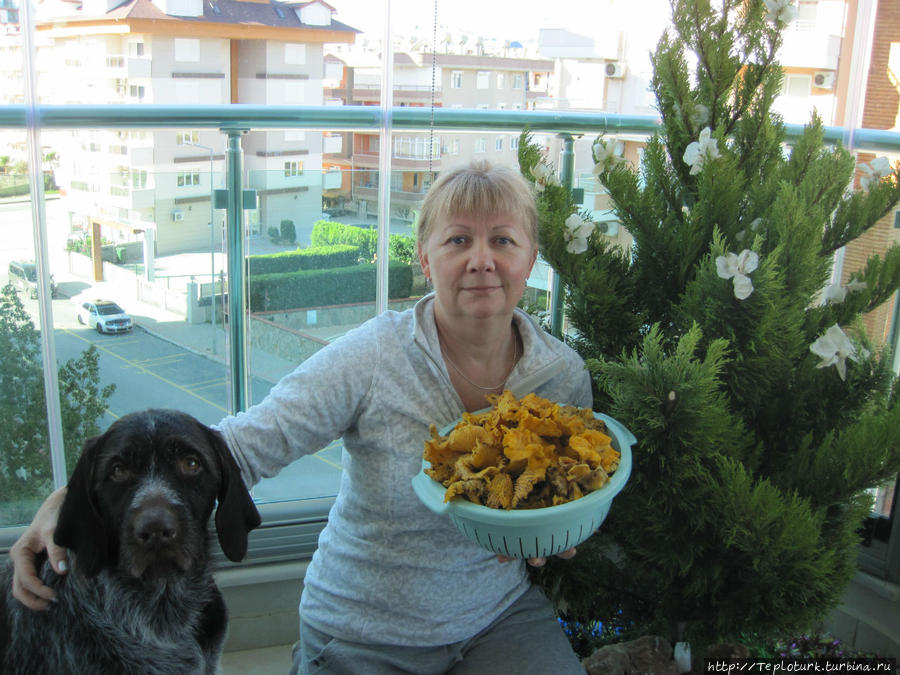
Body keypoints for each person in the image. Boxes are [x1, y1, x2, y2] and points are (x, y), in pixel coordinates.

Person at [11, 159, 593, 674]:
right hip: (362, 631)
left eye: (503, 241)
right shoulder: (372, 356)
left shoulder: (560, 377)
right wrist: (70, 499)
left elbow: (570, 497)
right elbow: (236, 449)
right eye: (458, 240)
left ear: (531, 260)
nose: (481, 261)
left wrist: (558, 533)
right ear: (424, 259)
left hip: (494, 617)